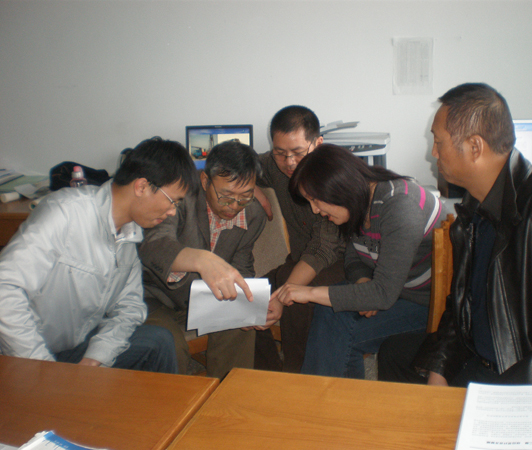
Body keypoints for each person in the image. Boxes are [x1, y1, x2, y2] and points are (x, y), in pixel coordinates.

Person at [378, 82, 532, 387]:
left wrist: (502, 393)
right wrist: (439, 368)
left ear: (475, 147)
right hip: (477, 356)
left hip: (522, 371)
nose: (433, 153)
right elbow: (461, 306)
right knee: (393, 353)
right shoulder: (474, 206)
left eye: (438, 142)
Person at [0, 136, 199, 373]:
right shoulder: (65, 213)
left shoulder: (129, 233)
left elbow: (130, 307)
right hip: (19, 351)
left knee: (159, 341)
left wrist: (96, 357)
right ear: (142, 187)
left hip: (72, 347)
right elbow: (5, 288)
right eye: (172, 201)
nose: (172, 212)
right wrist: (41, 366)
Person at [273, 143, 444, 378]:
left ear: (338, 187)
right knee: (329, 313)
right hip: (398, 292)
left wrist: (309, 292)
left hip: (429, 303)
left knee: (341, 331)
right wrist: (362, 281)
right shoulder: (361, 203)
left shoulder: (400, 206)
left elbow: (383, 294)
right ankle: (328, 394)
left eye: (315, 200)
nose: (314, 210)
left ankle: (324, 395)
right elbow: (355, 255)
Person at [139, 140, 267, 378]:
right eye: (226, 196)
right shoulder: (179, 199)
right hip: (154, 296)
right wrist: (200, 259)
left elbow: (241, 265)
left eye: (245, 196)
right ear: (205, 180)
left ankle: (228, 395)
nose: (234, 206)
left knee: (240, 327)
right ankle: (178, 399)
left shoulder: (253, 214)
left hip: (207, 299)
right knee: (168, 344)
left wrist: (249, 304)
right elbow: (154, 245)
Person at [253, 105, 346, 373]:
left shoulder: (334, 177)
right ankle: (269, 374)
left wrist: (283, 295)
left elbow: (323, 249)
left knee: (294, 297)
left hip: (341, 263)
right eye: (280, 153)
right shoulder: (274, 164)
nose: (289, 162)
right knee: (248, 295)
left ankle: (298, 375)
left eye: (297, 152)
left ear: (318, 143)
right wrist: (249, 184)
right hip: (297, 259)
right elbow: (231, 163)